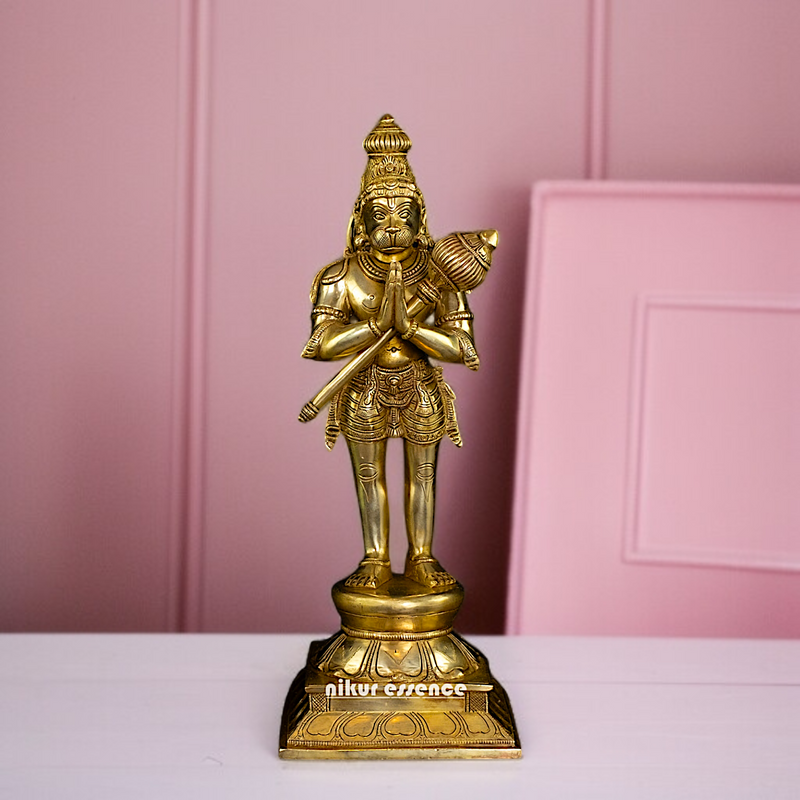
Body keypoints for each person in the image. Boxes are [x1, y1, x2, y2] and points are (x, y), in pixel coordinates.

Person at [302, 115, 479, 590]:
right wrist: (376, 326)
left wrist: (413, 330)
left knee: (424, 474)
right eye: (379, 215)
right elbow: (321, 344)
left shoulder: (440, 273)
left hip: (419, 383)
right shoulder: (341, 277)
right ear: (360, 222)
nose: (394, 226)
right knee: (368, 475)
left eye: (404, 213)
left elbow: (462, 347)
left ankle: (422, 555)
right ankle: (375, 557)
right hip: (365, 385)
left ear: (421, 218)